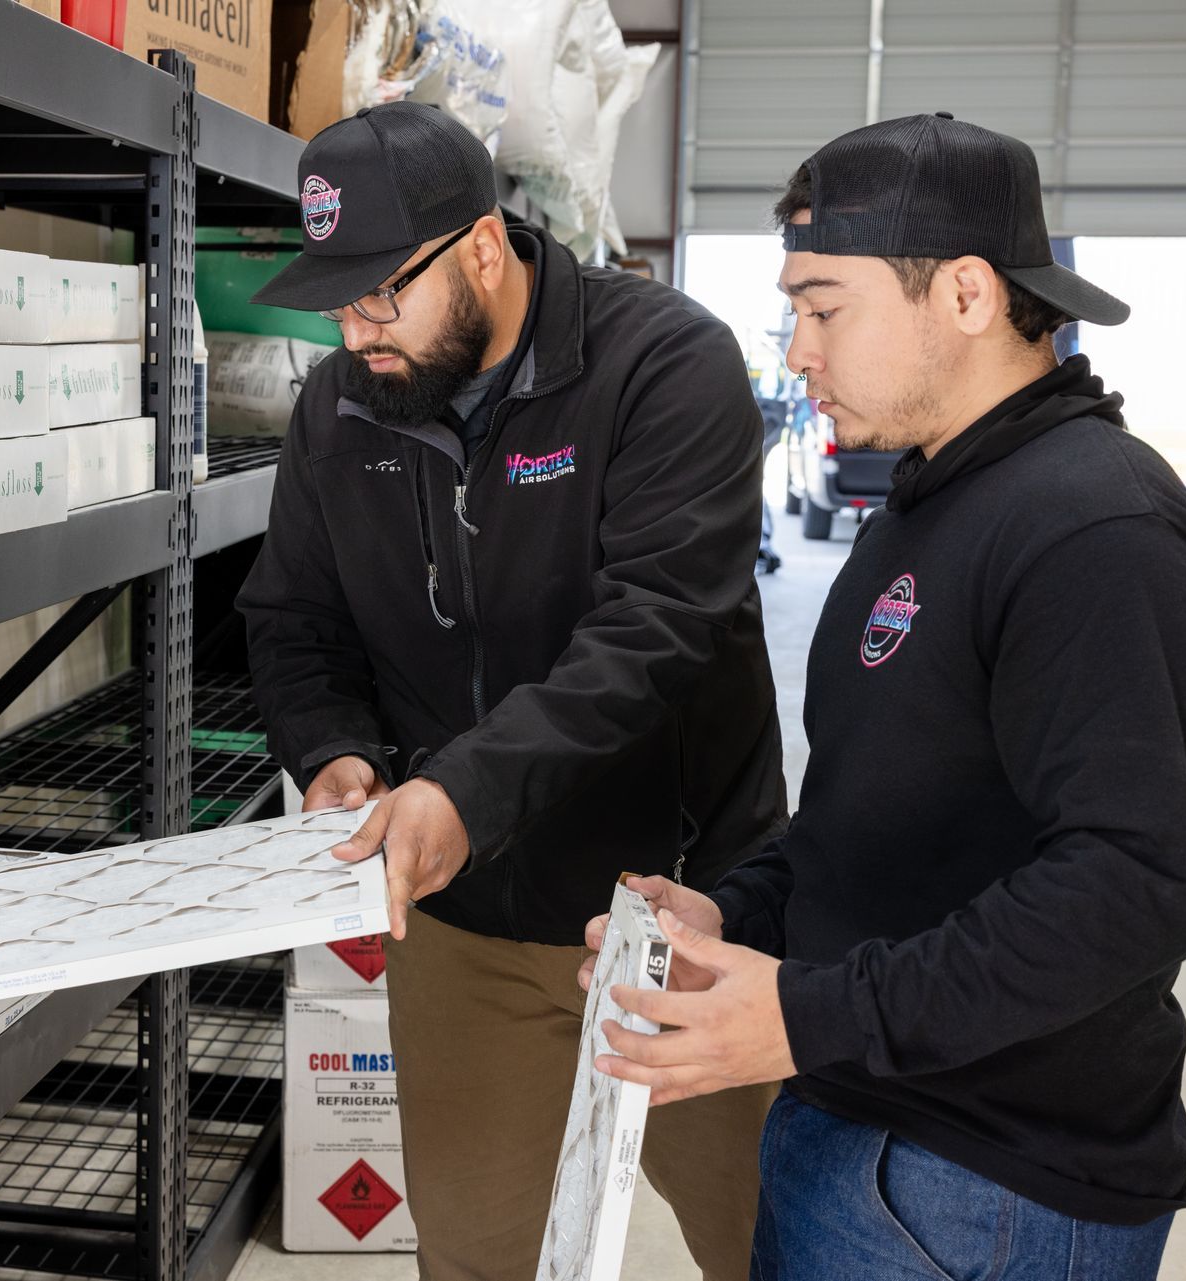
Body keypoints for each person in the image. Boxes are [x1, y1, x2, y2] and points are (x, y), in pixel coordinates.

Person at [581, 113, 1186, 1280]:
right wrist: (734, 918)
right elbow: (876, 814)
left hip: (986, 1185)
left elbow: (1138, 888)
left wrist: (806, 1016)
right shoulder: (929, 502)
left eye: (825, 307)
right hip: (860, 1123)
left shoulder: (1098, 532)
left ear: (965, 294)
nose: (797, 350)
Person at [236, 101, 787, 1281]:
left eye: (382, 293)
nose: (356, 331)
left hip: (681, 915)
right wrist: (335, 754)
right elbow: (294, 618)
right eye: (336, 301)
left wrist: (460, 795)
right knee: (477, 1258)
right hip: (467, 930)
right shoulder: (342, 407)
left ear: (483, 247)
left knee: (769, 1246)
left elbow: (653, 635)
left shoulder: (663, 366)